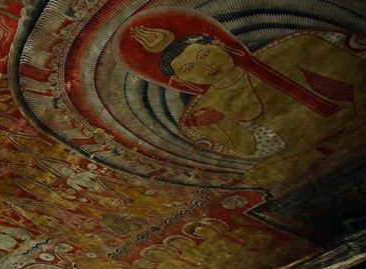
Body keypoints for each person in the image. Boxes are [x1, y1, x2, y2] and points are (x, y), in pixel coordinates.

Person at [117, 8, 366, 189]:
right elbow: (250, 148)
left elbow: (357, 76)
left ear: (221, 45)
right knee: (261, 177)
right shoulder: (200, 114)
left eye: (204, 54)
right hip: (307, 150)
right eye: (189, 69)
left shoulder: (295, 47)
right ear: (180, 82)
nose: (205, 67)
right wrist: (222, 123)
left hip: (354, 120)